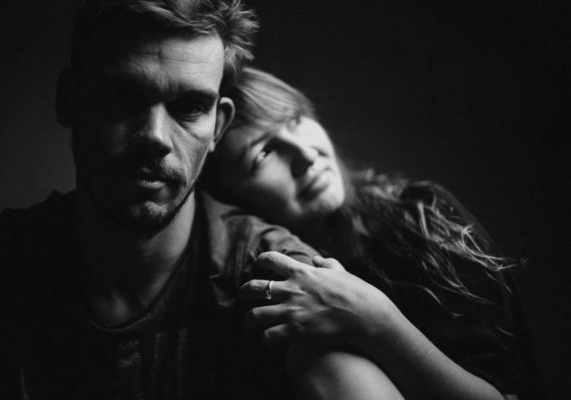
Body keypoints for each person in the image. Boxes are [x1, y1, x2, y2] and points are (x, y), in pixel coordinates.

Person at [0, 2, 405, 399]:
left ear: (218, 126)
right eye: (123, 97)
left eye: (190, 106)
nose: (154, 138)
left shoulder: (279, 280)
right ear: (69, 99)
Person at [201, 67, 541, 399]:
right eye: (264, 153)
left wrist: (377, 320)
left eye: (295, 120)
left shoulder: (422, 218)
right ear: (229, 200)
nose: (306, 155)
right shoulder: (247, 294)